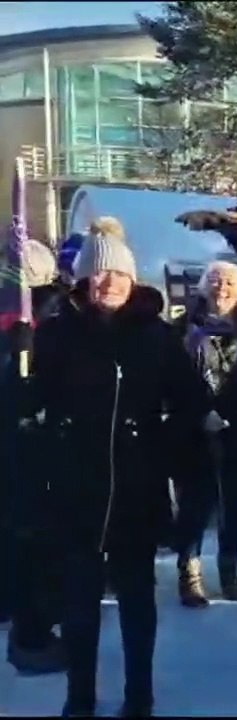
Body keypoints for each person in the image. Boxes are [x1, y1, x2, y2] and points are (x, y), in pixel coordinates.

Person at [31, 227, 213, 717]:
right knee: (80, 604)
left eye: (117, 273)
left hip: (137, 490)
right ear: (83, 279)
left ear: (132, 279)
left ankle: (139, 694)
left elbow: (194, 401)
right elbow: (33, 402)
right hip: (77, 487)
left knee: (136, 602)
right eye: (97, 272)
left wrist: (159, 441)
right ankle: (80, 694)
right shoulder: (55, 333)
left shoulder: (156, 336)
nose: (107, 281)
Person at [173, 260, 237, 606]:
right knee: (194, 507)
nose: (221, 288)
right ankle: (190, 574)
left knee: (235, 507)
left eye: (229, 282)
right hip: (194, 431)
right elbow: (174, 379)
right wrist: (200, 413)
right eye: (214, 280)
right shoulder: (184, 326)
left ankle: (228, 570)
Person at [1, 238, 68, 675]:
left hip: (43, 455)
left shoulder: (55, 320)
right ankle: (25, 626)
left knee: (35, 545)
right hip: (13, 454)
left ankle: (34, 630)